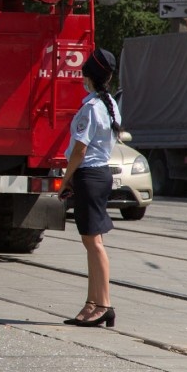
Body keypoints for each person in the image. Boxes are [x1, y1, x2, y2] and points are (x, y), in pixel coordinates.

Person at [59, 47, 121, 328]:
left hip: (89, 175)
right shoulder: (108, 103)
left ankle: (104, 304)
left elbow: (79, 151)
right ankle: (92, 302)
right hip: (100, 175)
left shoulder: (91, 108)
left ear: (88, 76)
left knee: (94, 244)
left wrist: (65, 179)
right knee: (92, 241)